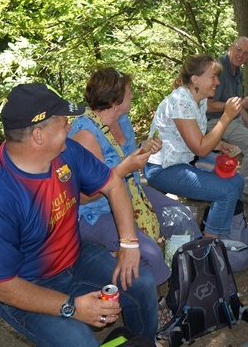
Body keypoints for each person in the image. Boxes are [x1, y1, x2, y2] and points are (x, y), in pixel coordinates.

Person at [0, 83, 158, 347]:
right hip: (26, 285)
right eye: (63, 122)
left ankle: (143, 342)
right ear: (38, 135)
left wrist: (128, 243)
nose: (71, 127)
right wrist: (72, 307)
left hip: (76, 257)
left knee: (142, 283)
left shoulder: (66, 151)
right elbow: (1, 286)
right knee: (79, 340)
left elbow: (113, 184)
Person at [68, 68, 202, 307]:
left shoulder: (121, 119)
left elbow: (123, 155)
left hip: (131, 191)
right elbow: (84, 197)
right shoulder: (86, 135)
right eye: (129, 93)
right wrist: (126, 168)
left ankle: (184, 276)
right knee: (147, 252)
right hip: (96, 211)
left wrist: (145, 146)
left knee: (180, 215)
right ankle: (157, 303)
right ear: (113, 101)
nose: (133, 96)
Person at [144, 53, 244, 238]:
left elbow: (194, 137)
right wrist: (227, 117)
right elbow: (200, 148)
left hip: (185, 159)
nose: (217, 82)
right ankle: (208, 248)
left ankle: (223, 228)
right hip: (163, 168)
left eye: (217, 76)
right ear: (195, 79)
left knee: (237, 181)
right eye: (213, 77)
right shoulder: (181, 101)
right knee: (227, 192)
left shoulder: (199, 98)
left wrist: (218, 144)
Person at [206, 37, 248, 204]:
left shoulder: (238, 70)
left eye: (246, 53)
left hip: (233, 118)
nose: (241, 55)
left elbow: (235, 99)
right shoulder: (218, 69)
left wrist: (246, 117)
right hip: (216, 121)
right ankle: (241, 192)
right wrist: (240, 105)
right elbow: (208, 106)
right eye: (238, 50)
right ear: (231, 48)